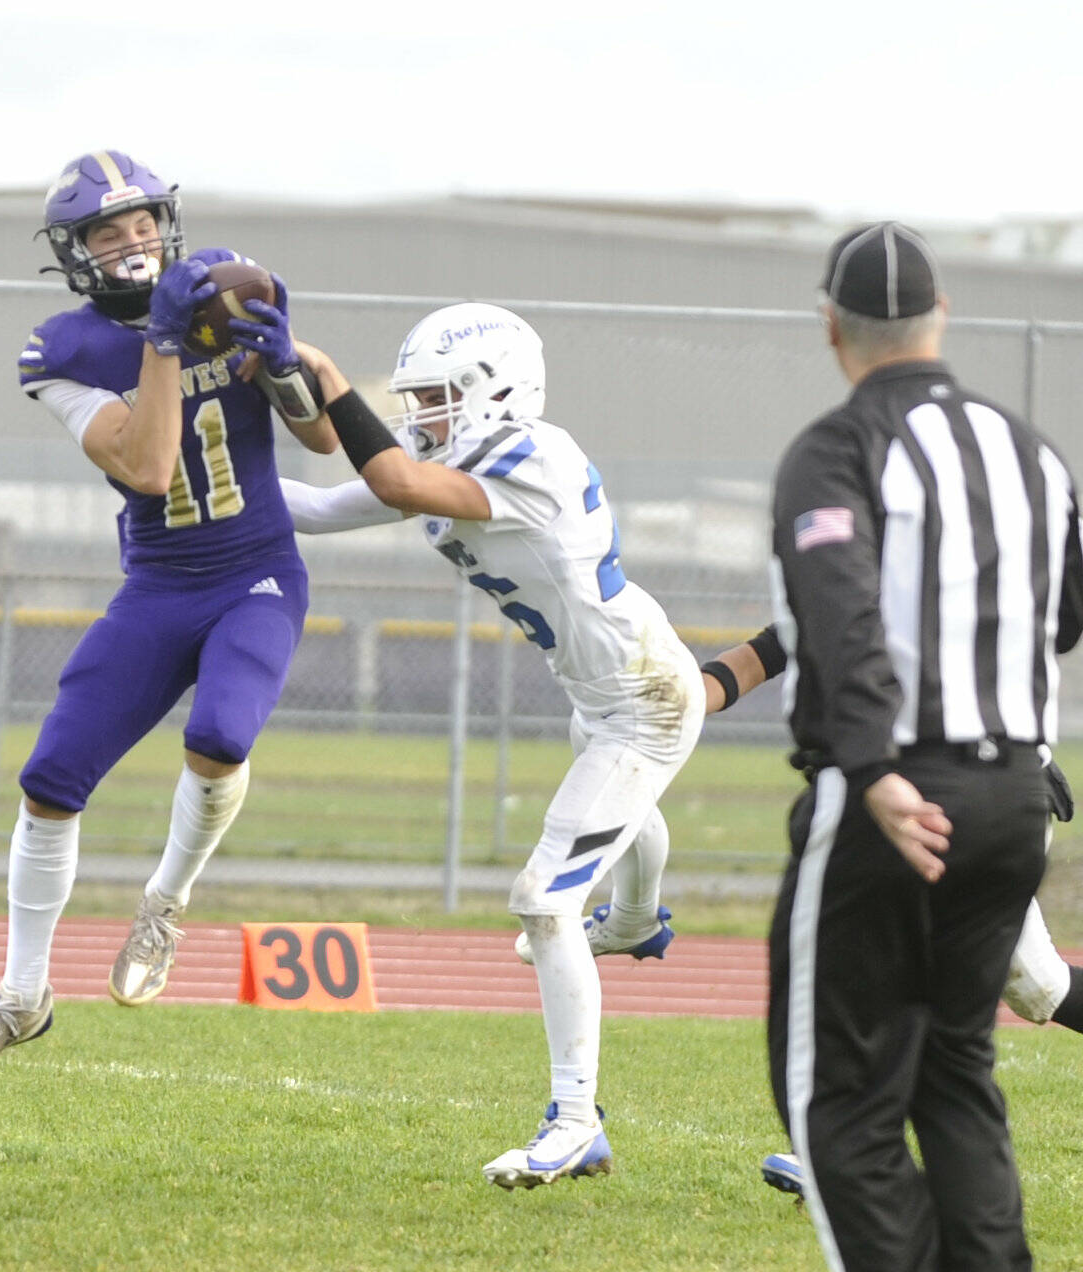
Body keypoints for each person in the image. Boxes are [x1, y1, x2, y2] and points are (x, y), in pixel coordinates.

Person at [0, 150, 336, 1085]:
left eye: (144, 222)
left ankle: (165, 901)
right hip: (159, 584)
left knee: (222, 732)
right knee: (50, 778)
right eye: (109, 233)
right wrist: (163, 342)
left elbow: (316, 432)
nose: (133, 242)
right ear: (76, 252)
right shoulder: (63, 350)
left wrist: (282, 365)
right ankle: (21, 998)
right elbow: (148, 469)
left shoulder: (227, 286)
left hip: (257, 572)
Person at [278, 302, 704, 1189]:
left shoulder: (530, 451)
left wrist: (324, 377)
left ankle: (576, 1120)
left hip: (643, 699)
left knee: (543, 902)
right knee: (619, 820)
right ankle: (633, 919)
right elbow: (316, 508)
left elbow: (393, 483)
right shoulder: (461, 456)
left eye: (433, 398)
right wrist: (201, 480)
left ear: (493, 391)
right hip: (601, 691)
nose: (417, 417)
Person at [766, 221, 1083, 1270]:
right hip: (1012, 792)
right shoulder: (1026, 450)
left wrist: (871, 770)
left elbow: (837, 610)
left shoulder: (836, 448)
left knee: (835, 1096)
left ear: (829, 328)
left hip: (893, 793)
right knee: (955, 1068)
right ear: (941, 316)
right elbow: (1064, 607)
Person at [697, 622, 1083, 1201]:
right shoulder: (844, 570)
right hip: (892, 800)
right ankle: (838, 1150)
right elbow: (762, 655)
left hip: (979, 790)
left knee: (1026, 987)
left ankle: (845, 1152)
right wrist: (678, 695)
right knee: (885, 963)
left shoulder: (937, 568)